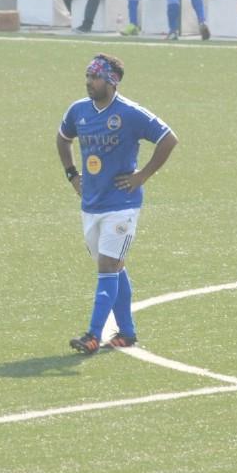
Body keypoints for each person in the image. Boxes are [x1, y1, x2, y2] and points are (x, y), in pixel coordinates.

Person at [56, 54, 179, 354]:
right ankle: (127, 332)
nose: (88, 82)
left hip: (122, 205)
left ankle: (93, 335)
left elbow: (168, 139)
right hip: (91, 205)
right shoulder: (78, 110)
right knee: (114, 267)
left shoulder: (130, 113)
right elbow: (62, 139)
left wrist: (143, 176)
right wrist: (72, 174)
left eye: (95, 77)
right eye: (87, 76)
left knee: (108, 265)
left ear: (112, 81)